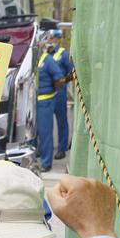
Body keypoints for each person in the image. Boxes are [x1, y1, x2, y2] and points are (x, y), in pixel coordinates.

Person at [35, 33, 66, 171]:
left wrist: (53, 92)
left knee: (45, 133)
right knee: (33, 135)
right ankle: (35, 159)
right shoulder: (33, 61)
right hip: (33, 101)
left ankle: (46, 163)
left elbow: (59, 78)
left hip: (46, 100)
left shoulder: (47, 60)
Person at [49, 28, 74, 160]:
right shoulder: (45, 54)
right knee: (46, 123)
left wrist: (63, 80)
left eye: (52, 38)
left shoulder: (63, 54)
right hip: (47, 92)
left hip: (59, 92)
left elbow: (72, 72)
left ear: (57, 39)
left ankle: (62, 149)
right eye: (48, 38)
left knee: (61, 121)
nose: (49, 41)